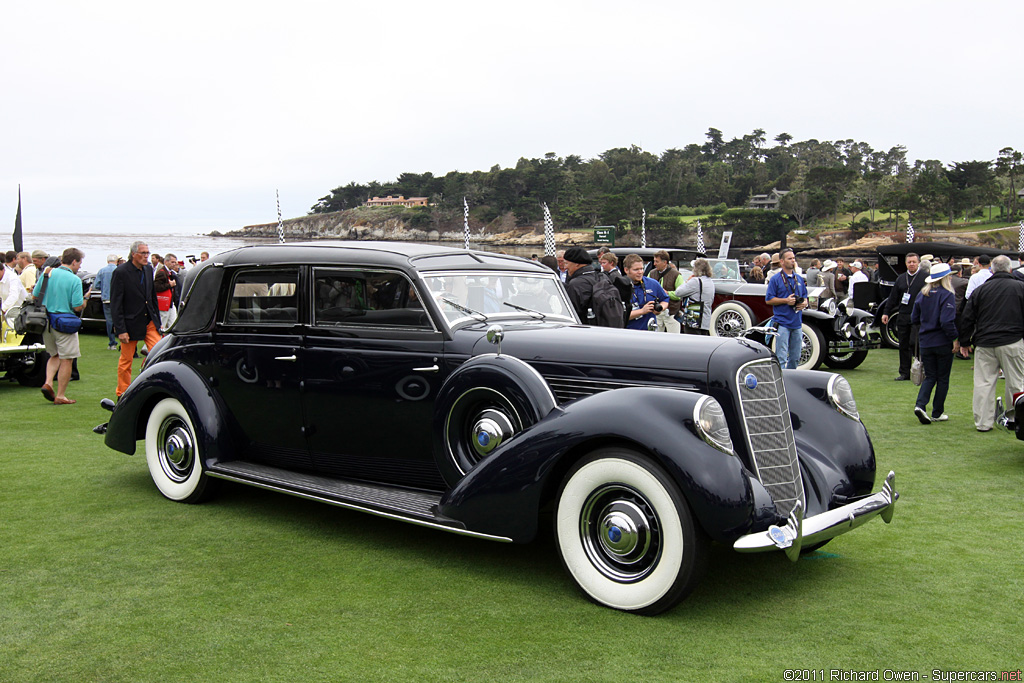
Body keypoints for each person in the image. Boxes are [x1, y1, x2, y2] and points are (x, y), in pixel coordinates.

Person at [958, 255, 1024, 432]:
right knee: (1016, 382)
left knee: (983, 383)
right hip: (1012, 340)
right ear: (1010, 270)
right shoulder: (1020, 288)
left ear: (991, 270)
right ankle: (1015, 419)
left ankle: (983, 423)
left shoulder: (981, 290)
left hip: (985, 342)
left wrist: (964, 342)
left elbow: (967, 317)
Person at [32, 248, 85, 405]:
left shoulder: (48, 273)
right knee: (67, 359)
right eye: (79, 263)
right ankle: (61, 395)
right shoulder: (74, 280)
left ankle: (48, 382)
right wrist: (85, 301)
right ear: (74, 262)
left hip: (46, 321)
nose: (80, 267)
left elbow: (35, 295)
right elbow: (77, 306)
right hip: (64, 321)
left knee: (54, 355)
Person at [111, 241, 163, 398]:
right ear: (134, 254)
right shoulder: (121, 272)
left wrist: (158, 321)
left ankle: (151, 385)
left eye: (148, 252)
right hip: (130, 323)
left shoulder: (148, 269)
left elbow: (152, 296)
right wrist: (121, 330)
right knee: (126, 361)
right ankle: (123, 392)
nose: (146, 256)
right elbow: (116, 302)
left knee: (159, 354)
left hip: (149, 321)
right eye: (143, 253)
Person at [911, 263, 959, 424]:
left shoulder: (922, 294)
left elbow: (914, 318)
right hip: (942, 341)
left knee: (930, 376)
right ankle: (937, 412)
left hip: (926, 341)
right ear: (946, 278)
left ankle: (920, 405)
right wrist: (954, 338)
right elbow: (946, 321)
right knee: (943, 378)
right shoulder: (947, 295)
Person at [882, 253, 925, 381]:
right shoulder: (901, 279)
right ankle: (904, 372)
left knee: (915, 343)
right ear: (906, 264)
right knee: (903, 345)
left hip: (919, 316)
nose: (911, 264)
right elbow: (893, 298)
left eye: (914, 262)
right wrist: (886, 312)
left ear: (918, 263)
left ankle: (920, 370)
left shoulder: (925, 277)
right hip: (903, 315)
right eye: (909, 262)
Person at [765, 248, 808, 369]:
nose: (793, 260)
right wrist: (786, 301)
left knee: (795, 358)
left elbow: (805, 297)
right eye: (790, 258)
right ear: (782, 261)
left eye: (794, 258)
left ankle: (790, 381)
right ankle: (781, 383)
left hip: (797, 323)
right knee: (781, 357)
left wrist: (804, 303)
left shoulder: (799, 279)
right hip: (783, 323)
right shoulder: (775, 279)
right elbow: (768, 300)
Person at [562, 247, 625, 328]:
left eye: (567, 263)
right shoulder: (602, 277)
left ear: (577, 264)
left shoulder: (576, 284)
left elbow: (572, 315)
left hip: (585, 331)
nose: (565, 267)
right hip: (606, 329)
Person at [623, 253, 669, 331]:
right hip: (629, 331)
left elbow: (665, 299)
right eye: (636, 269)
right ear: (626, 270)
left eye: (641, 269)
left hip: (650, 330)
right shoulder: (620, 287)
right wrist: (642, 311)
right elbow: (619, 316)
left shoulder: (652, 283)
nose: (640, 272)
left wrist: (660, 309)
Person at [675, 258, 715, 335]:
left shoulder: (695, 281)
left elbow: (678, 292)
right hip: (705, 321)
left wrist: (687, 281)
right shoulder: (710, 282)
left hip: (694, 319)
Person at [652, 250, 683, 333]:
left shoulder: (676, 275)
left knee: (674, 340)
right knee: (654, 340)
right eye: (654, 261)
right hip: (656, 312)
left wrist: (667, 293)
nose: (654, 264)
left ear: (665, 262)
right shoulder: (651, 274)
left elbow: (681, 294)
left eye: (656, 261)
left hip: (671, 313)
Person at [94, 254, 119, 350]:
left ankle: (112, 343)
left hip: (106, 299)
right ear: (116, 261)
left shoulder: (102, 271)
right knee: (119, 320)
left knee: (109, 321)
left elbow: (96, 285)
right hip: (117, 299)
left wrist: (104, 288)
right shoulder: (118, 270)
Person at [1, 258, 29, 326]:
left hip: (20, 310)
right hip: (6, 310)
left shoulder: (12, 277)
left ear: (2, 270)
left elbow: (14, 296)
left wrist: (2, 308)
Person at [154, 253, 179, 330]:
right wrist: (169, 285)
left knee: (173, 323)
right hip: (163, 302)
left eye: (175, 262)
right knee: (162, 324)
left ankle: (170, 339)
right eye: (172, 262)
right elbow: (156, 287)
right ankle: (157, 340)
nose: (174, 264)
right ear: (166, 262)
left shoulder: (170, 272)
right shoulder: (161, 272)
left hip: (170, 303)